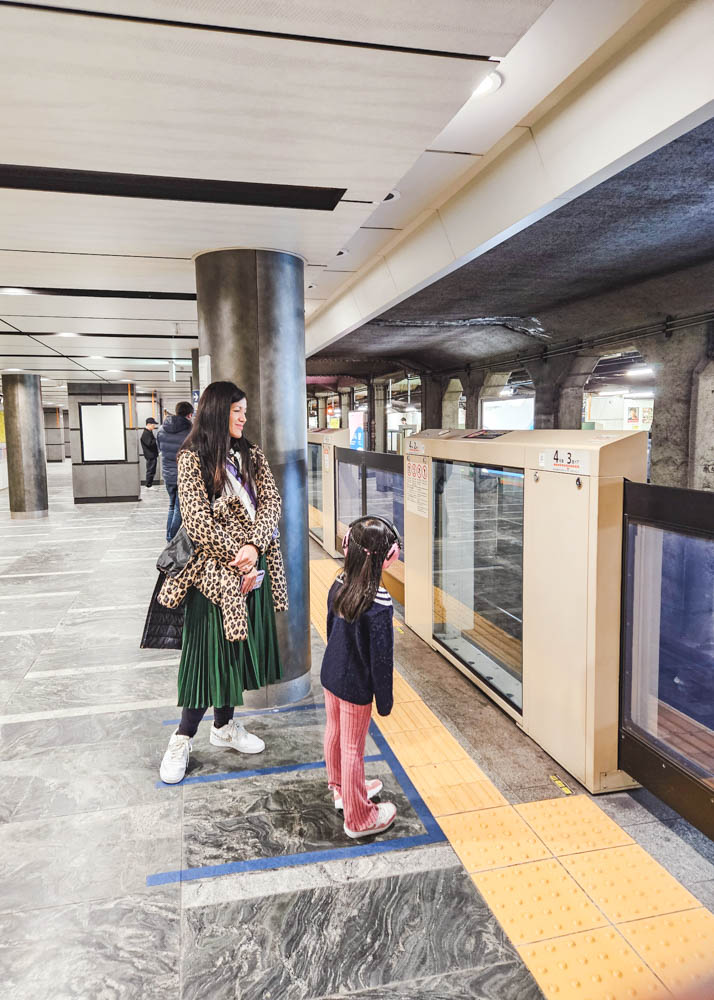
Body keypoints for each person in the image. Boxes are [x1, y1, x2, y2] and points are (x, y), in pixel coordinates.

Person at [156, 381, 288, 784]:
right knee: (204, 654)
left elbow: (272, 502)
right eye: (237, 411)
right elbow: (196, 520)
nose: (244, 418)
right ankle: (181, 738)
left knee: (234, 651)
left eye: (244, 411)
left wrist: (253, 545)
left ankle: (224, 727)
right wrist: (238, 553)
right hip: (213, 572)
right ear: (217, 411)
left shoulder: (250, 453)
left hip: (251, 563)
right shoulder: (192, 458)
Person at [321, 515, 400, 838]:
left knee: (335, 733)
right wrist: (385, 701)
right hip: (355, 686)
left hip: (331, 673)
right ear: (386, 559)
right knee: (353, 748)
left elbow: (329, 628)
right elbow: (381, 661)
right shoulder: (378, 604)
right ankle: (358, 818)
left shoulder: (338, 584)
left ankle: (342, 789)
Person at [157, 401, 194, 541]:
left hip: (168, 474)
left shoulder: (161, 429)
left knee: (172, 505)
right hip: (183, 474)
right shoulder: (190, 431)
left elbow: (160, 449)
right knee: (180, 508)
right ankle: (171, 537)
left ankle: (169, 536)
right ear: (189, 415)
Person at [140, 418, 159, 488]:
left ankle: (149, 484)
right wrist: (156, 440)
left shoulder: (148, 432)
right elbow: (150, 444)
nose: (154, 426)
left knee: (152, 470)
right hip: (150, 455)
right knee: (150, 470)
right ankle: (148, 484)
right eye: (153, 425)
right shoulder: (146, 433)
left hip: (152, 455)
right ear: (148, 424)